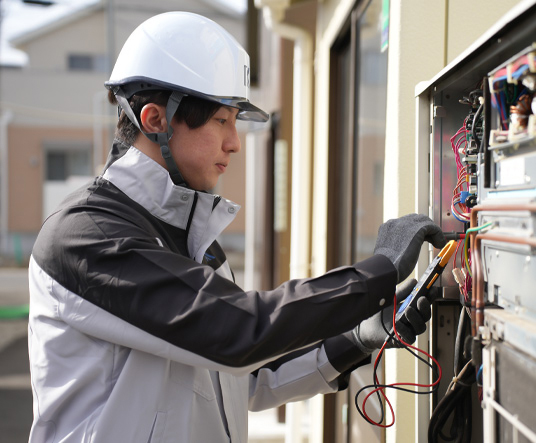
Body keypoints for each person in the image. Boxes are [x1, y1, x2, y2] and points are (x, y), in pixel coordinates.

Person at [27, 11, 444, 443]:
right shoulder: (87, 237)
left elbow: (241, 377)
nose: (235, 143)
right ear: (155, 120)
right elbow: (240, 332)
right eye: (221, 120)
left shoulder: (193, 238)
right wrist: (376, 273)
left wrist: (357, 338)